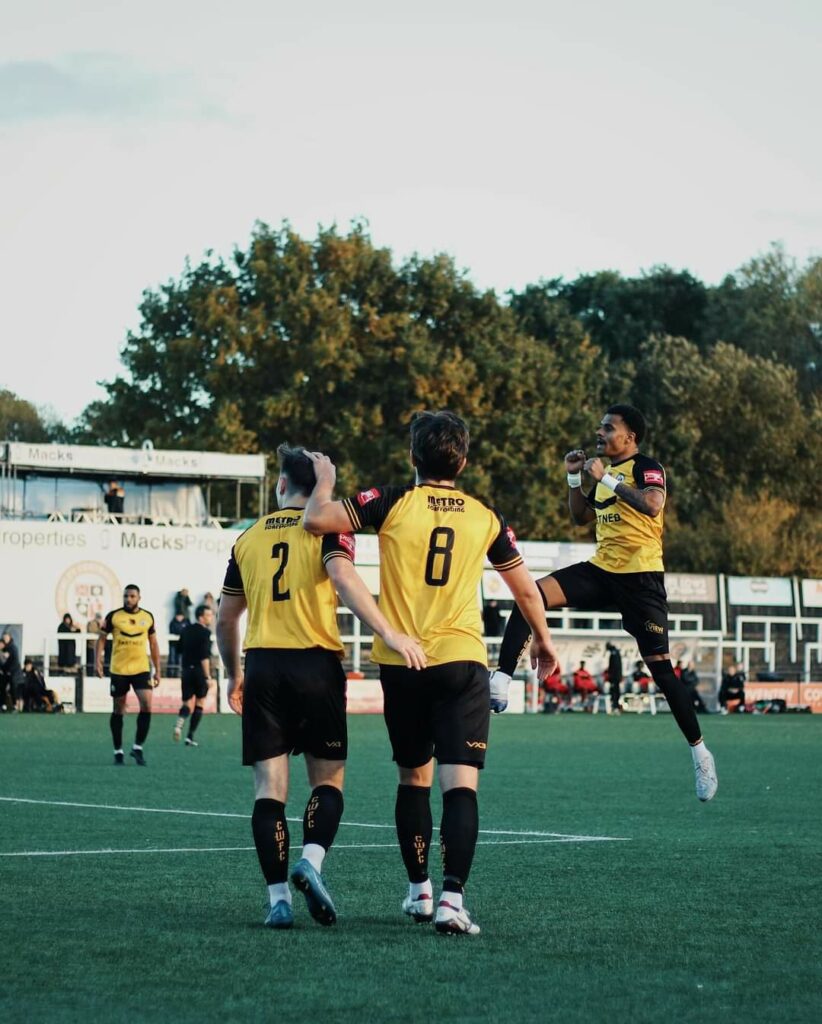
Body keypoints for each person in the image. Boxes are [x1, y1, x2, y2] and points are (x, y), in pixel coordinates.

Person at [303, 411, 557, 936]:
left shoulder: (390, 500)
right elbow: (526, 591)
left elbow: (317, 521)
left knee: (413, 780)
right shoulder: (486, 517)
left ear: (413, 457)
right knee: (460, 786)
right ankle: (451, 901)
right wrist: (544, 640)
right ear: (462, 462)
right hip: (461, 662)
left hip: (402, 663)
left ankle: (419, 891)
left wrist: (324, 482)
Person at [217, 443, 425, 931]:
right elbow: (344, 580)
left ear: (281, 484)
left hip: (264, 665)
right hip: (316, 665)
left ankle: (278, 901)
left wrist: (233, 674)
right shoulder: (329, 527)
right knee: (327, 783)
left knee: (269, 791)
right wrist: (388, 632)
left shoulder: (247, 539)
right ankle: (311, 860)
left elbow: (226, 618)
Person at [488, 404, 718, 801]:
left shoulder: (647, 466)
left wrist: (605, 477)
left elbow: (652, 505)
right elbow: (580, 516)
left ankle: (700, 753)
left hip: (641, 579)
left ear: (630, 436)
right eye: (600, 427)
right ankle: (502, 680)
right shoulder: (601, 471)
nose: (600, 432)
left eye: (608, 428)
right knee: (530, 594)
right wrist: (574, 476)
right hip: (602, 569)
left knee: (663, 672)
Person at [96, 585, 161, 766]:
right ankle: (118, 751)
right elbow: (101, 639)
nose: (128, 599)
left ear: (139, 598)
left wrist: (158, 669)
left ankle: (137, 748)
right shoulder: (114, 616)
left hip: (141, 669)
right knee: (119, 709)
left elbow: (153, 644)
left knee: (147, 705)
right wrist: (97, 661)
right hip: (119, 670)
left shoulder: (147, 617)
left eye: (132, 596)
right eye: (126, 596)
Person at [173, 604, 214, 746]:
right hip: (199, 672)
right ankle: (189, 736)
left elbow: (178, 649)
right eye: (208, 615)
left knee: (186, 703)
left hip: (186, 671)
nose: (211, 618)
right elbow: (204, 657)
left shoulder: (185, 630)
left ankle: (179, 724)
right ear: (201, 617)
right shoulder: (205, 633)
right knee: (199, 702)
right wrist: (207, 677)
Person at [606, 642, 623, 713]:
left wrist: (611, 677)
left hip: (614, 677)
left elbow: (614, 667)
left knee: (614, 691)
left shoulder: (614, 653)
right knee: (616, 691)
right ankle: (615, 705)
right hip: (617, 676)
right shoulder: (616, 652)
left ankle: (615, 706)